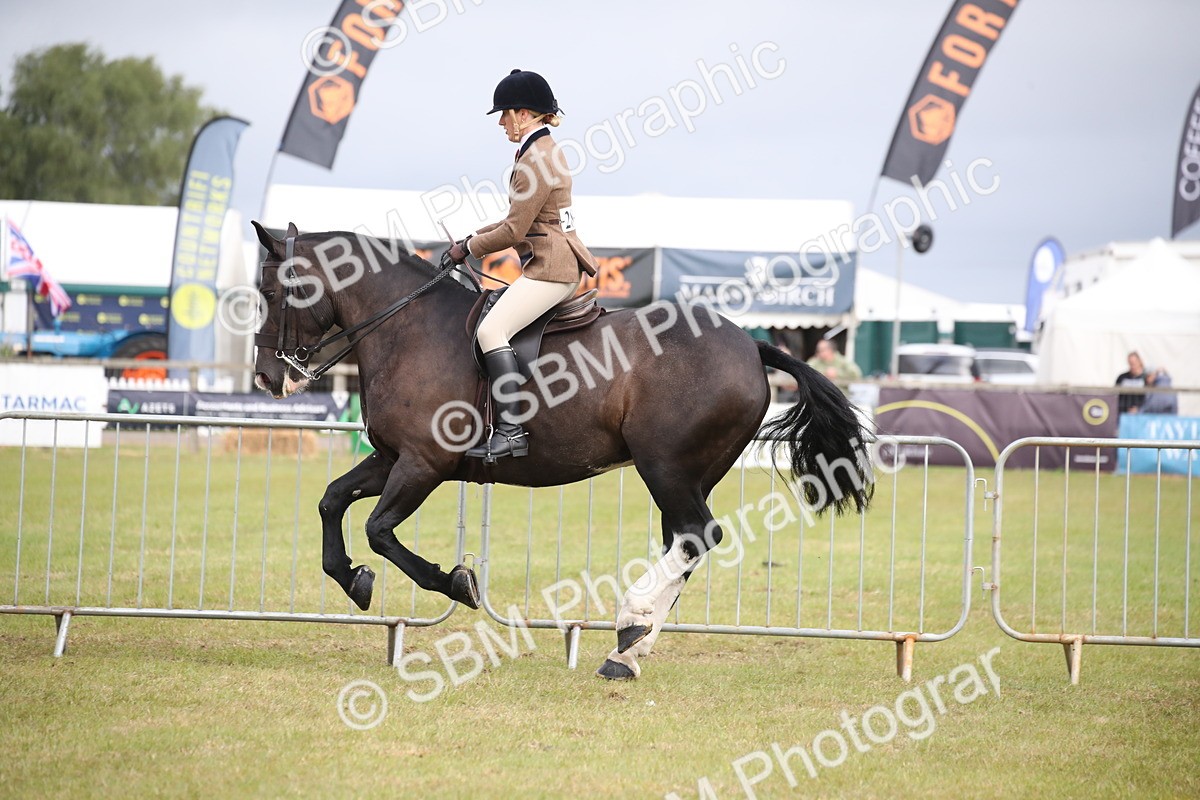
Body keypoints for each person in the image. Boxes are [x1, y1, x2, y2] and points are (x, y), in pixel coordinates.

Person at [448, 69, 598, 461]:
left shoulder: (536, 158)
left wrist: (469, 249)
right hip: (552, 260)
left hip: (552, 268)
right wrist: (469, 240)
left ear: (525, 114)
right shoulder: (541, 150)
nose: (501, 122)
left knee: (491, 329)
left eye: (505, 113)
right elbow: (516, 220)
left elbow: (515, 230)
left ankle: (512, 432)